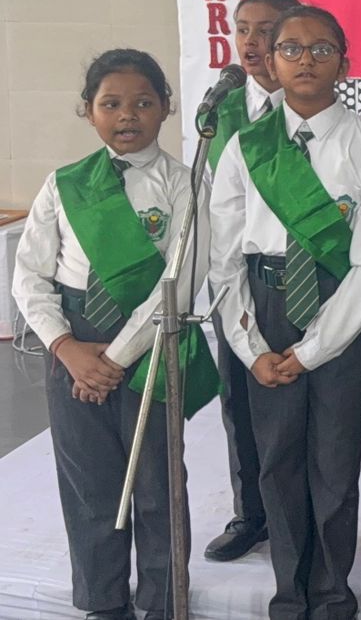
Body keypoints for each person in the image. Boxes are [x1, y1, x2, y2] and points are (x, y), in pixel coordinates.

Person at [13, 49, 216, 620]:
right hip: (73, 343)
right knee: (88, 480)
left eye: (143, 102)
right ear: (88, 111)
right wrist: (67, 349)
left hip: (150, 343)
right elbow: (29, 275)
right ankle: (103, 600)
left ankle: (165, 599)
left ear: (166, 108)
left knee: (156, 481)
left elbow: (181, 280)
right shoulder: (65, 184)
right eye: (111, 103)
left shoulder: (184, 184)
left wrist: (116, 358)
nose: (128, 115)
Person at [208, 6, 361, 619]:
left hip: (341, 311)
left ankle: (333, 593)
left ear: (344, 60)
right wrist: (252, 349)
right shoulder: (245, 146)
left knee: (335, 462)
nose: (305, 60)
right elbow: (224, 258)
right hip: (265, 310)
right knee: (278, 460)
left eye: (321, 49)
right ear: (270, 59)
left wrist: (316, 349)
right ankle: (289, 595)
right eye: (290, 48)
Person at [205, 0, 299, 563]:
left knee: (295, 407)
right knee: (238, 397)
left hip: (300, 279)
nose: (252, 42)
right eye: (243, 28)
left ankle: (297, 513)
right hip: (233, 277)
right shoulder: (220, 115)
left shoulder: (315, 106)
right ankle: (251, 514)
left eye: (266, 30)